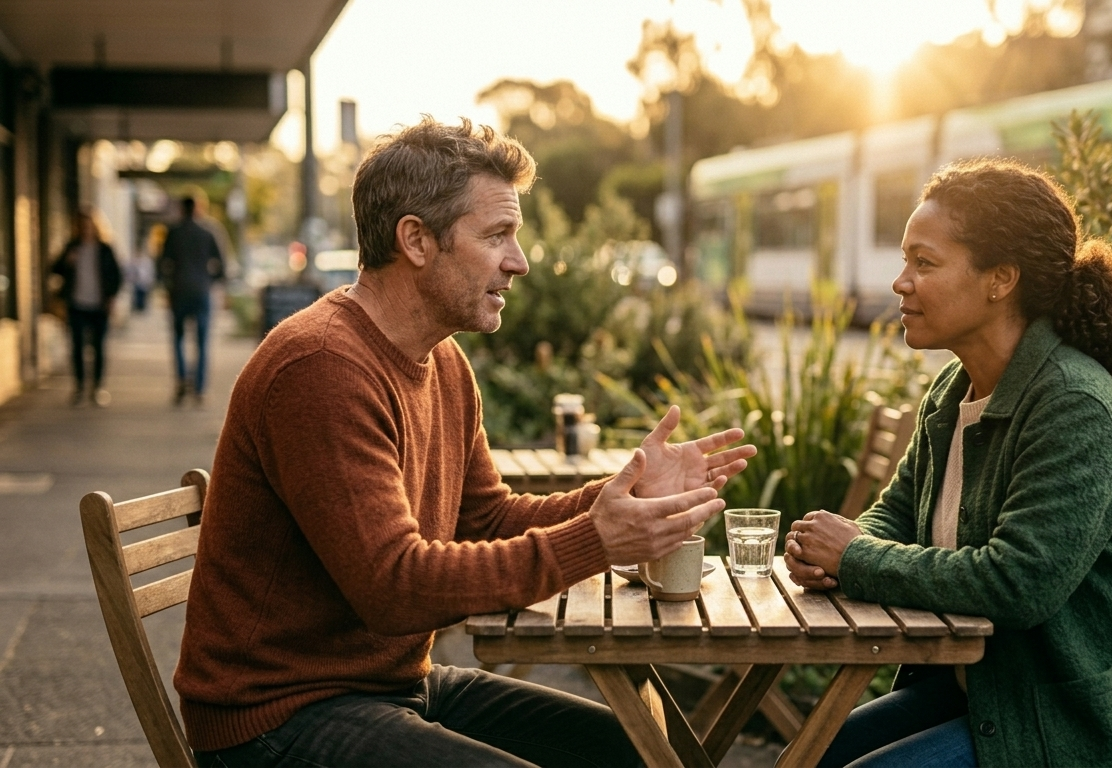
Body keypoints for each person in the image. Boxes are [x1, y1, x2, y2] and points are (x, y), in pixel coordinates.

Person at [173, 117, 756, 768]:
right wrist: (597, 539)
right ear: (417, 241)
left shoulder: (443, 362)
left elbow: (487, 519)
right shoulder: (319, 368)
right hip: (278, 717)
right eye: (498, 235)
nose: (521, 261)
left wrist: (625, 494)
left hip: (394, 687)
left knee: (658, 753)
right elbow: (393, 587)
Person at [784, 159, 1112, 768]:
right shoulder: (954, 389)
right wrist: (834, 556)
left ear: (1000, 279)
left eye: (924, 263)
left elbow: (1018, 584)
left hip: (1090, 725)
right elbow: (899, 514)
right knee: (811, 756)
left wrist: (853, 556)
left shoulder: (1073, 404)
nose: (901, 282)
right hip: (993, 691)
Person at [53, 208, 122, 407]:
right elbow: (55, 269)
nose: (86, 229)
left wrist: (111, 298)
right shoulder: (72, 247)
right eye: (82, 225)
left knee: (99, 348)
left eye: (89, 225)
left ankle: (97, 387)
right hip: (76, 304)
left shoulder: (105, 249)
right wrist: (68, 262)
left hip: (99, 305)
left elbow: (116, 276)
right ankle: (80, 387)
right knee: (76, 347)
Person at [159, 195, 222, 404]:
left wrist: (167, 286)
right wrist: (208, 281)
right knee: (202, 342)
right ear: (198, 209)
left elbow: (161, 264)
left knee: (178, 339)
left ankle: (181, 381)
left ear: (180, 209)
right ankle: (199, 388)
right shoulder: (207, 233)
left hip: (178, 292)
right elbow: (221, 265)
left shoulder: (173, 233)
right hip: (201, 292)